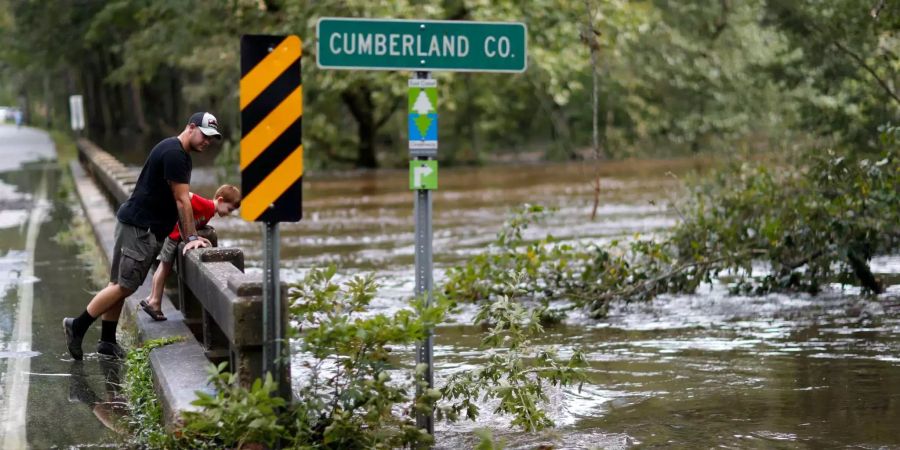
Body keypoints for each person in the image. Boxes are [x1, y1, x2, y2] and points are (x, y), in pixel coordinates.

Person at [63, 112, 221, 360]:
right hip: (140, 229)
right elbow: (182, 201)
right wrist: (191, 238)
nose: (207, 142)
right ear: (191, 127)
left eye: (212, 138)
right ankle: (78, 326)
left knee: (119, 284)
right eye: (205, 135)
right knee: (125, 285)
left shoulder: (173, 150)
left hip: (134, 223)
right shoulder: (176, 155)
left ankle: (106, 341)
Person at [140, 184, 241, 321]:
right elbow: (187, 197)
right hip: (173, 236)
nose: (229, 213)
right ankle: (154, 302)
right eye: (229, 209)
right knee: (164, 268)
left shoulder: (210, 212)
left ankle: (151, 298)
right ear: (221, 200)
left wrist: (194, 236)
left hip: (175, 236)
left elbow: (193, 222)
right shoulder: (206, 205)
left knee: (163, 268)